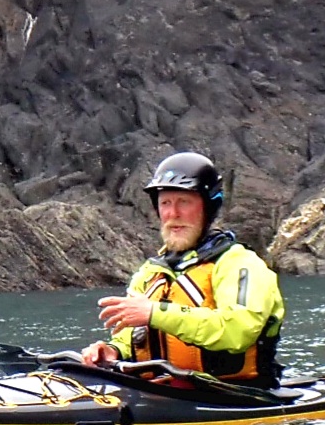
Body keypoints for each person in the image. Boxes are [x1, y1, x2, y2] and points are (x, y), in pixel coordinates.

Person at [80, 152, 286, 387]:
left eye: (184, 202)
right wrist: (113, 350)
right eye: (165, 203)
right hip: (161, 393)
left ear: (208, 207)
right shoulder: (150, 272)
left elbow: (238, 330)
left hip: (234, 394)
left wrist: (156, 313)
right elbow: (133, 337)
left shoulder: (240, 263)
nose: (173, 213)